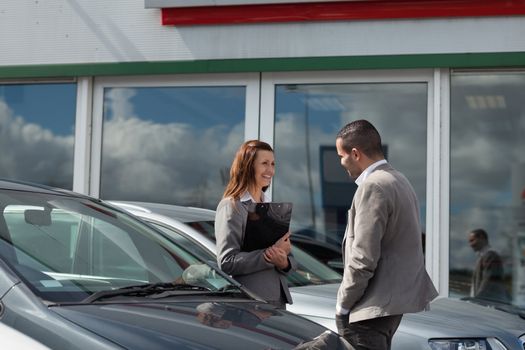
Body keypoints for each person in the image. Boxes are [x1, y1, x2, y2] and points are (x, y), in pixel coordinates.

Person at [334, 120, 438, 350]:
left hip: (367, 310)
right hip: (388, 308)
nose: (341, 162)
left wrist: (343, 304)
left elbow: (363, 257)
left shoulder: (374, 186)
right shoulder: (400, 180)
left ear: (355, 153)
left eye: (341, 156)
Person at [215, 140, 296, 308]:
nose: (270, 170)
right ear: (248, 166)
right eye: (264, 163)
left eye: (273, 164)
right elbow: (227, 261)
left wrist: (284, 262)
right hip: (251, 303)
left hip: (277, 301)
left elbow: (289, 259)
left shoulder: (271, 207)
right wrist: (270, 255)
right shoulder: (232, 205)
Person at [468, 228, 508, 302]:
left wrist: (477, 300)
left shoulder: (491, 256)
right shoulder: (484, 257)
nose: (470, 245)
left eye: (472, 240)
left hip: (491, 305)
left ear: (482, 238)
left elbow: (488, 282)